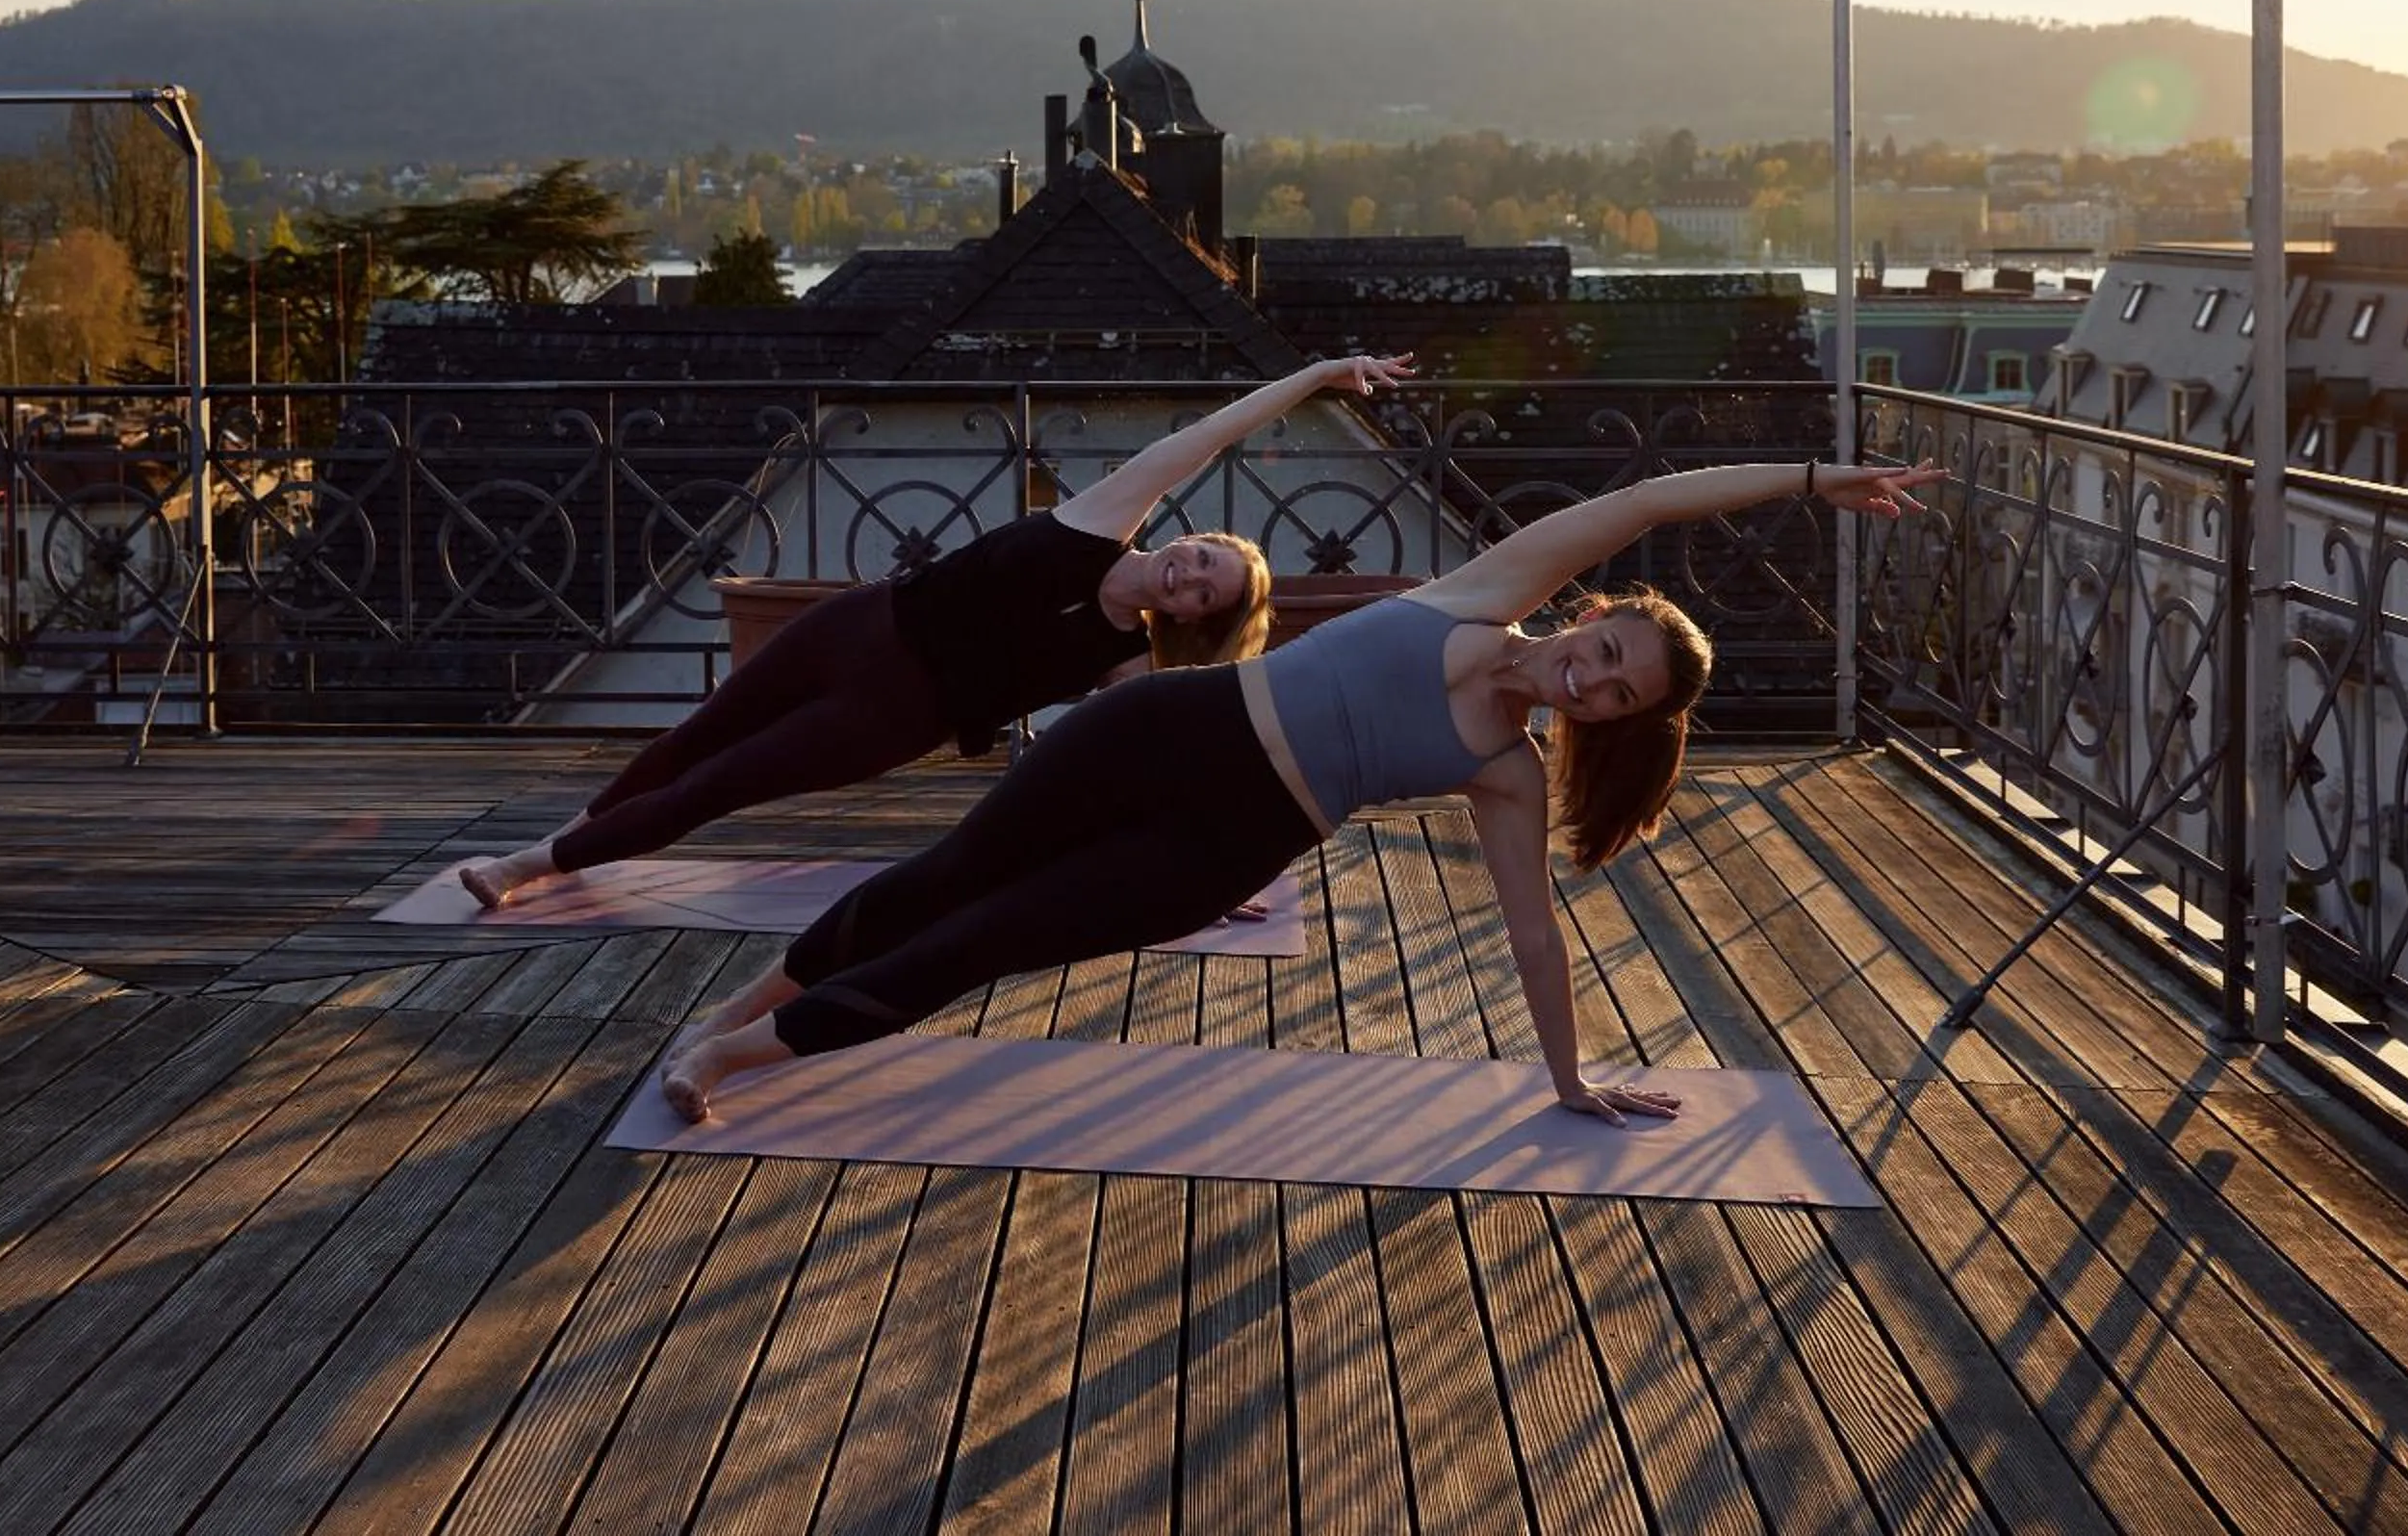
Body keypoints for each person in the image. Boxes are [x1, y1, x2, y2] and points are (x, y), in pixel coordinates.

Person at [656, 455, 1946, 1125]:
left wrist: (1569, 1080)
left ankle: (737, 1050)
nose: (1587, 681)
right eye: (1604, 651)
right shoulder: (1488, 591)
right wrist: (1816, 480)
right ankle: (758, 992)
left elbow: (1536, 934)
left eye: (1610, 696)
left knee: (987, 940)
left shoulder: (1504, 774)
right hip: (1163, 730)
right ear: (1592, 613)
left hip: (1228, 841)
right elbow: (1652, 496)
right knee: (945, 878)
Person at [456, 353, 1421, 909]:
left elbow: (1148, 782)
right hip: (856, 625)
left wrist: (1216, 879)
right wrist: (1322, 375)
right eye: (1203, 559)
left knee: (715, 787)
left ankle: (525, 868)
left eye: (1205, 597)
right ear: (1187, 538)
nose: (1192, 578)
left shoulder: (1125, 666)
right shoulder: (1101, 515)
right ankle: (578, 838)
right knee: (691, 737)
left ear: (1189, 620)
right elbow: (1214, 431)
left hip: (889, 717)